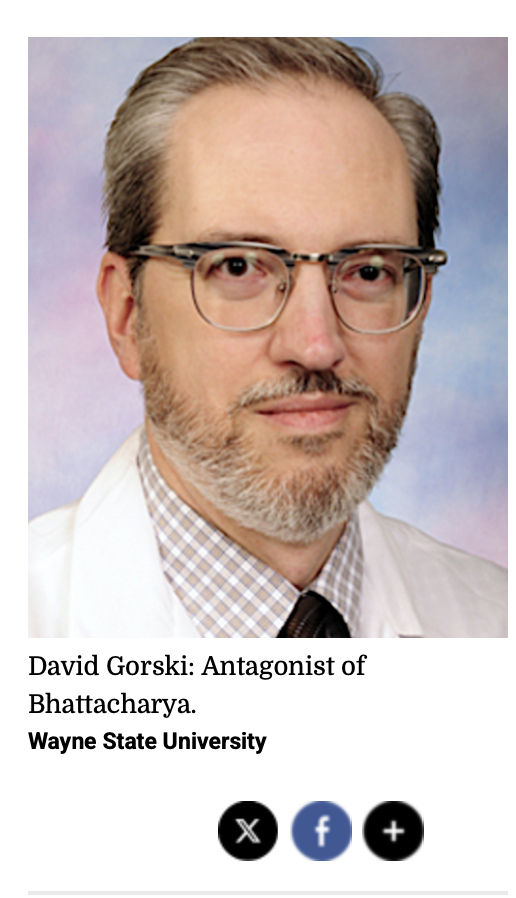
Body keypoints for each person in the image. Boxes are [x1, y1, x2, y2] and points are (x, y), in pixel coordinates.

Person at [29, 37, 507, 638]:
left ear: (421, 306)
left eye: (366, 271)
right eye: (236, 267)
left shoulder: (495, 619)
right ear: (128, 314)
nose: (315, 345)